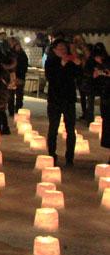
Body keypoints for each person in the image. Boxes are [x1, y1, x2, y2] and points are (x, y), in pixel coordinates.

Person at [44, 39, 81, 167]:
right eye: (60, 49)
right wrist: (62, 65)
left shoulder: (71, 62)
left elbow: (78, 76)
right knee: (53, 127)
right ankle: (52, 154)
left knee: (70, 129)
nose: (63, 51)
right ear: (54, 50)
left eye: (64, 48)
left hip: (68, 99)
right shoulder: (50, 62)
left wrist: (77, 64)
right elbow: (51, 78)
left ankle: (69, 157)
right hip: (54, 99)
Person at [8, 37, 29, 117]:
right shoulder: (10, 54)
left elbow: (24, 66)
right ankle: (11, 111)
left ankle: (18, 110)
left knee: (19, 95)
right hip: (11, 76)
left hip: (20, 77)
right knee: (11, 95)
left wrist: (20, 75)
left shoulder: (23, 55)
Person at [78, 43, 94, 122]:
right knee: (83, 97)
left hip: (90, 81)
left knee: (90, 99)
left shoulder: (92, 59)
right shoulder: (82, 58)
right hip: (82, 79)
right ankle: (85, 113)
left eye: (86, 50)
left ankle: (89, 117)